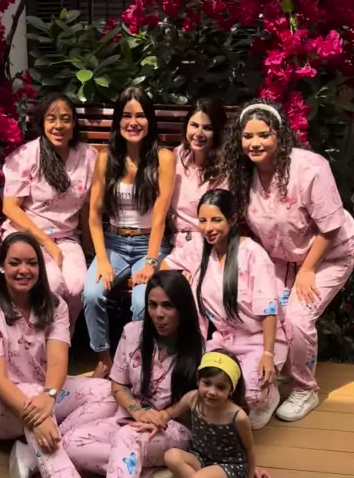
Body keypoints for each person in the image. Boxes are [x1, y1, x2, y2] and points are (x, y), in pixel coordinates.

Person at [54, 271, 204, 478]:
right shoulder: (133, 332)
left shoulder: (198, 346)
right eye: (153, 305)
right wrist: (137, 411)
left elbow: (198, 400)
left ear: (183, 308)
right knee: (70, 442)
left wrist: (165, 415)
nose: (159, 314)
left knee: (127, 438)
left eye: (168, 306)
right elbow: (118, 385)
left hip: (173, 430)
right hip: (133, 418)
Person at [0, 232, 116, 478]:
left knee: (109, 392)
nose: (24, 270)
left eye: (32, 263)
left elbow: (58, 361)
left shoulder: (54, 305)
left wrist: (49, 397)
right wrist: (42, 410)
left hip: (43, 394)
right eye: (15, 263)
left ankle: (32, 451)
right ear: (1, 266)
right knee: (34, 397)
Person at [222, 98, 354, 421]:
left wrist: (307, 270)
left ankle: (305, 388)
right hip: (283, 257)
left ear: (279, 135)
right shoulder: (242, 173)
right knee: (267, 310)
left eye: (263, 135)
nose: (254, 143)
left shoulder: (309, 168)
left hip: (329, 252)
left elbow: (331, 226)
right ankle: (274, 380)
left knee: (296, 318)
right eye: (247, 136)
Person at [162, 188, 288, 429]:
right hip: (223, 339)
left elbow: (269, 309)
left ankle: (268, 397)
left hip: (258, 338)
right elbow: (166, 266)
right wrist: (183, 276)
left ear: (232, 219)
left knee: (247, 391)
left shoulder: (253, 254)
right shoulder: (198, 248)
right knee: (190, 379)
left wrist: (268, 354)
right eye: (203, 220)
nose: (208, 228)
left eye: (216, 220)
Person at [83, 87, 175, 374]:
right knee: (91, 293)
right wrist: (102, 259)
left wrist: (150, 263)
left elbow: (159, 219)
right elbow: (94, 215)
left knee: (141, 301)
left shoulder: (163, 158)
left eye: (140, 116)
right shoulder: (106, 158)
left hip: (151, 245)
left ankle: (136, 362)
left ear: (150, 120)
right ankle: (104, 358)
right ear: (118, 121)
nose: (133, 123)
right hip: (114, 243)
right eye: (126, 116)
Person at [2, 93, 97, 330]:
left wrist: (89, 246)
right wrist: (46, 243)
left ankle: (61, 341)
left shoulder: (88, 157)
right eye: (51, 119)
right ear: (42, 122)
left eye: (65, 119)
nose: (58, 126)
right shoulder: (27, 155)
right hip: (27, 236)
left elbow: (86, 206)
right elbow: (10, 207)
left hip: (67, 237)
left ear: (74, 123)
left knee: (77, 287)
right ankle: (34, 343)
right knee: (51, 283)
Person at [164, 350, 271, 478]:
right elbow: (169, 413)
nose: (212, 392)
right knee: (171, 456)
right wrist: (148, 419)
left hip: (231, 466)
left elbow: (250, 450)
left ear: (231, 390)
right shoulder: (192, 399)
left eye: (221, 387)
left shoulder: (238, 416)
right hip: (201, 458)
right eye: (207, 383)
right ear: (198, 380)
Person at [170, 97, 227, 249]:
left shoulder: (225, 168)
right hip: (177, 242)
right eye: (194, 125)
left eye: (207, 128)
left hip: (210, 244)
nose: (199, 133)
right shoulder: (178, 156)